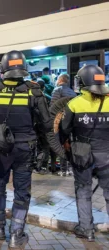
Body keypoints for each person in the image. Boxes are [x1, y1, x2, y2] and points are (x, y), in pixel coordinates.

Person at [0, 51, 55, 248]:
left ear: (3, 69)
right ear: (23, 68)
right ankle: (16, 233)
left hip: (0, 149)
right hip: (25, 148)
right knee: (22, 191)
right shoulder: (34, 91)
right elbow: (46, 125)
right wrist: (43, 146)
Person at [61, 65, 109, 241]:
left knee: (83, 191)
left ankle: (86, 229)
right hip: (107, 153)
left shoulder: (74, 103)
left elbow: (64, 130)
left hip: (82, 154)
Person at [50, 73, 77, 176]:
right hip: (70, 122)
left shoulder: (57, 90)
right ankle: (70, 168)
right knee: (68, 144)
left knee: (60, 144)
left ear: (60, 80)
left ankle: (63, 169)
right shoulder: (72, 92)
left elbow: (53, 107)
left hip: (59, 121)